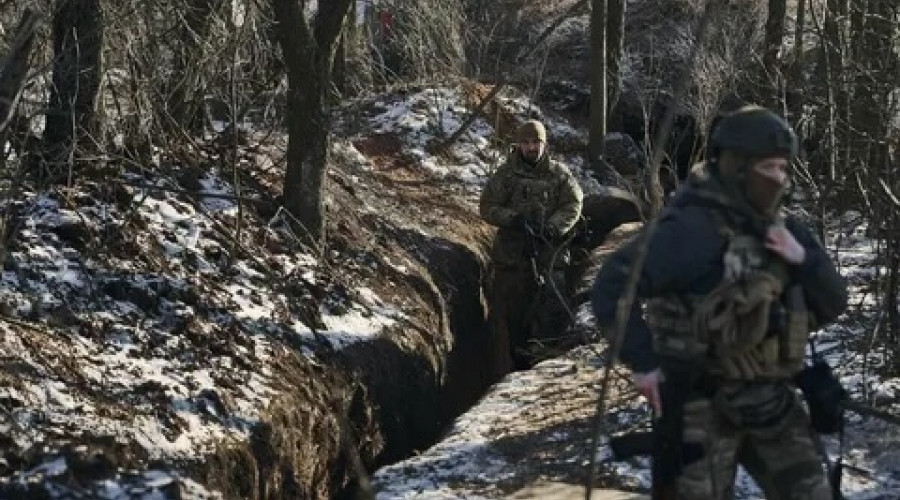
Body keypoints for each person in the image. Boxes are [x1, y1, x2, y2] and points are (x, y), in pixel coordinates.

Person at [591, 105, 849, 499]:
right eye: (769, 169)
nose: (780, 180)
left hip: (770, 399)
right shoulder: (688, 229)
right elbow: (612, 285)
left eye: (784, 169)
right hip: (697, 405)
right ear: (736, 166)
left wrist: (803, 259)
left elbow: (833, 301)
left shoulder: (784, 228)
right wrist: (643, 362)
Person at [480, 119, 584, 375]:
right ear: (518, 144)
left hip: (550, 255)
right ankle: (514, 366)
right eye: (526, 142)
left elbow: (574, 203)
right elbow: (487, 207)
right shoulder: (505, 175)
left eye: (536, 142)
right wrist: (514, 220)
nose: (531, 147)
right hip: (513, 258)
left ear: (544, 143)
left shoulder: (560, 174)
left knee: (552, 308)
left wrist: (552, 227)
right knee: (512, 315)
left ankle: (547, 363)